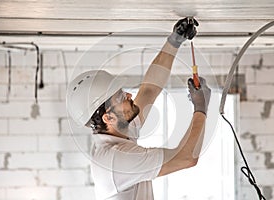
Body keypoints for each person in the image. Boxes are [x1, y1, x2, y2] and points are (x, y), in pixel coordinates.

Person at [66, 17, 211, 200]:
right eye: (120, 97)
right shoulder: (116, 159)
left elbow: (150, 89)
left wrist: (174, 41)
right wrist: (201, 107)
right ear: (107, 118)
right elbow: (186, 158)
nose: (129, 96)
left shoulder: (119, 129)